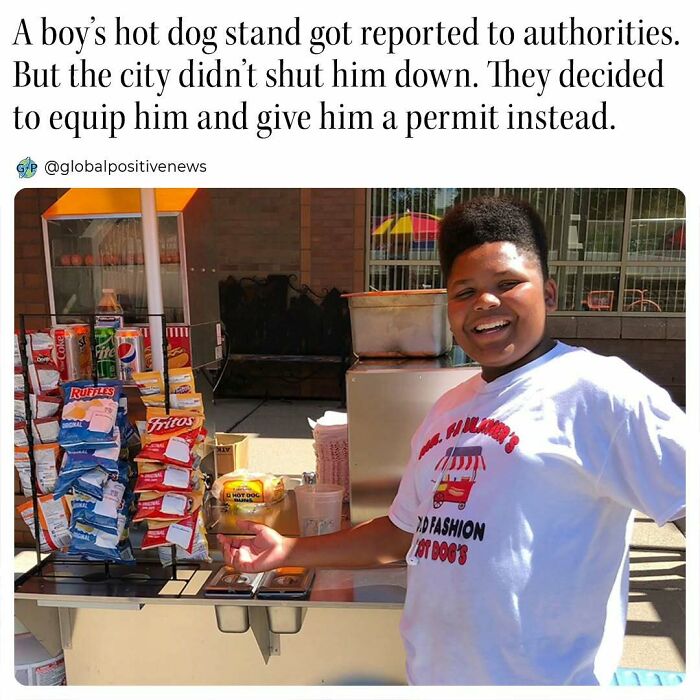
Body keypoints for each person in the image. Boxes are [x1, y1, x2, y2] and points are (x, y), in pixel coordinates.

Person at [218, 196, 685, 685]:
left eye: (507, 284)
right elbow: (401, 534)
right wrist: (287, 548)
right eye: (465, 291)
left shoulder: (600, 391)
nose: (485, 302)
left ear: (547, 293)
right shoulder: (450, 406)